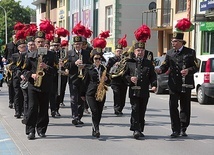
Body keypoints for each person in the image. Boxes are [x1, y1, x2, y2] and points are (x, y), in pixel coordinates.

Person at [156, 32, 198, 138]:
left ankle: (183, 128)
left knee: (185, 106)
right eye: (172, 41)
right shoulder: (169, 53)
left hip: (185, 83)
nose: (172, 43)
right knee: (173, 106)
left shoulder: (190, 52)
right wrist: (160, 69)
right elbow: (165, 65)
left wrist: (188, 70)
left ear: (180, 42)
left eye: (174, 41)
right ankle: (175, 129)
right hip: (173, 83)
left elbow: (196, 67)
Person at [23, 31, 57, 140]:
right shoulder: (30, 55)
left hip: (46, 85)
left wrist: (47, 67)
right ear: (35, 43)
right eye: (38, 42)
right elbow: (23, 70)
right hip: (33, 85)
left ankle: (41, 130)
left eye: (42, 42)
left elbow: (55, 71)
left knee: (43, 109)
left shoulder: (51, 55)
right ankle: (31, 130)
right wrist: (31, 74)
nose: (40, 44)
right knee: (32, 108)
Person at [124, 41, 157, 139]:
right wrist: (130, 78)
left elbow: (153, 76)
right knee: (135, 109)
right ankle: (135, 129)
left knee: (142, 110)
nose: (140, 52)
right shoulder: (129, 62)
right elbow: (124, 75)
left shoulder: (148, 63)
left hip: (144, 91)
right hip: (134, 90)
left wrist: (154, 85)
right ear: (134, 51)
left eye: (142, 50)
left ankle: (140, 128)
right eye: (138, 50)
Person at [81, 35, 110, 138]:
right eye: (96, 58)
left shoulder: (104, 68)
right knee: (94, 111)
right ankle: (96, 129)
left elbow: (110, 80)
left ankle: (95, 128)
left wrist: (107, 79)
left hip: (101, 92)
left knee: (99, 112)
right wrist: (82, 94)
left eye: (99, 58)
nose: (98, 60)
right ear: (92, 59)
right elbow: (84, 82)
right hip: (91, 92)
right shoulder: (88, 69)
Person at [65, 35, 91, 126]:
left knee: (81, 99)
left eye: (79, 44)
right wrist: (74, 63)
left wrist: (84, 66)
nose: (77, 46)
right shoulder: (69, 53)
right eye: (76, 44)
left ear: (82, 44)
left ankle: (79, 116)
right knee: (73, 98)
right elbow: (66, 65)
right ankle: (74, 117)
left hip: (83, 79)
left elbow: (91, 65)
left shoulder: (87, 53)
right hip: (73, 78)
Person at [106, 35, 128, 115]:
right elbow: (108, 70)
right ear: (115, 52)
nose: (119, 52)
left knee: (123, 96)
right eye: (118, 51)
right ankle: (117, 109)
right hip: (115, 80)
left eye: (120, 51)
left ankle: (121, 108)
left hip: (123, 81)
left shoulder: (125, 60)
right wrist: (115, 65)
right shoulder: (112, 60)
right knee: (117, 95)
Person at [10, 38, 27, 118]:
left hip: (25, 77)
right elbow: (12, 66)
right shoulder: (14, 56)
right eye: (21, 47)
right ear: (18, 48)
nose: (23, 48)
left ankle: (23, 110)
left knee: (24, 95)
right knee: (17, 94)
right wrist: (19, 73)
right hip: (17, 77)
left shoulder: (28, 55)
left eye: (24, 46)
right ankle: (17, 111)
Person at [21, 36, 36, 124]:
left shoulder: (38, 55)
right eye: (30, 45)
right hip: (25, 79)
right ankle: (26, 116)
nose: (32, 46)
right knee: (26, 98)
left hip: (35, 81)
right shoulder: (24, 55)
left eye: (33, 44)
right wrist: (22, 75)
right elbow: (20, 68)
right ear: (27, 46)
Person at [2, 34, 18, 108]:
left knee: (17, 86)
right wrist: (4, 60)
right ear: (12, 37)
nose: (16, 38)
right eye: (15, 37)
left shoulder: (20, 45)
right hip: (10, 67)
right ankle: (11, 101)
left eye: (17, 37)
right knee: (10, 84)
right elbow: (5, 55)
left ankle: (16, 102)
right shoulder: (8, 45)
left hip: (18, 66)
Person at [81, 37, 93, 114]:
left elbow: (91, 63)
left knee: (86, 91)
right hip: (78, 74)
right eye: (82, 44)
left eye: (85, 43)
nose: (83, 45)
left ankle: (86, 107)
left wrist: (85, 65)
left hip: (86, 73)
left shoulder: (89, 50)